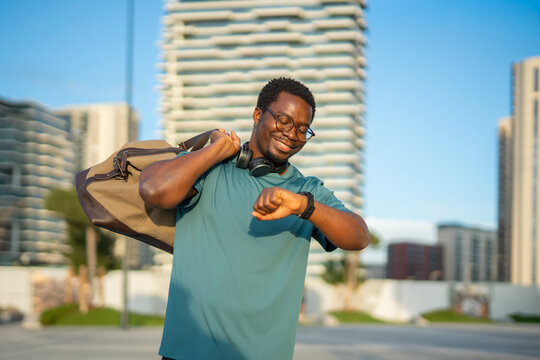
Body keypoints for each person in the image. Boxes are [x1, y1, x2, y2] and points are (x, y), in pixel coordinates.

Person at [139, 77, 370, 360]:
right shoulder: (210, 169)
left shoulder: (307, 190)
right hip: (187, 352)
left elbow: (359, 236)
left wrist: (302, 206)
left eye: (302, 128)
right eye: (284, 120)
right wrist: (214, 150)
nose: (292, 134)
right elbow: (153, 190)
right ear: (258, 115)